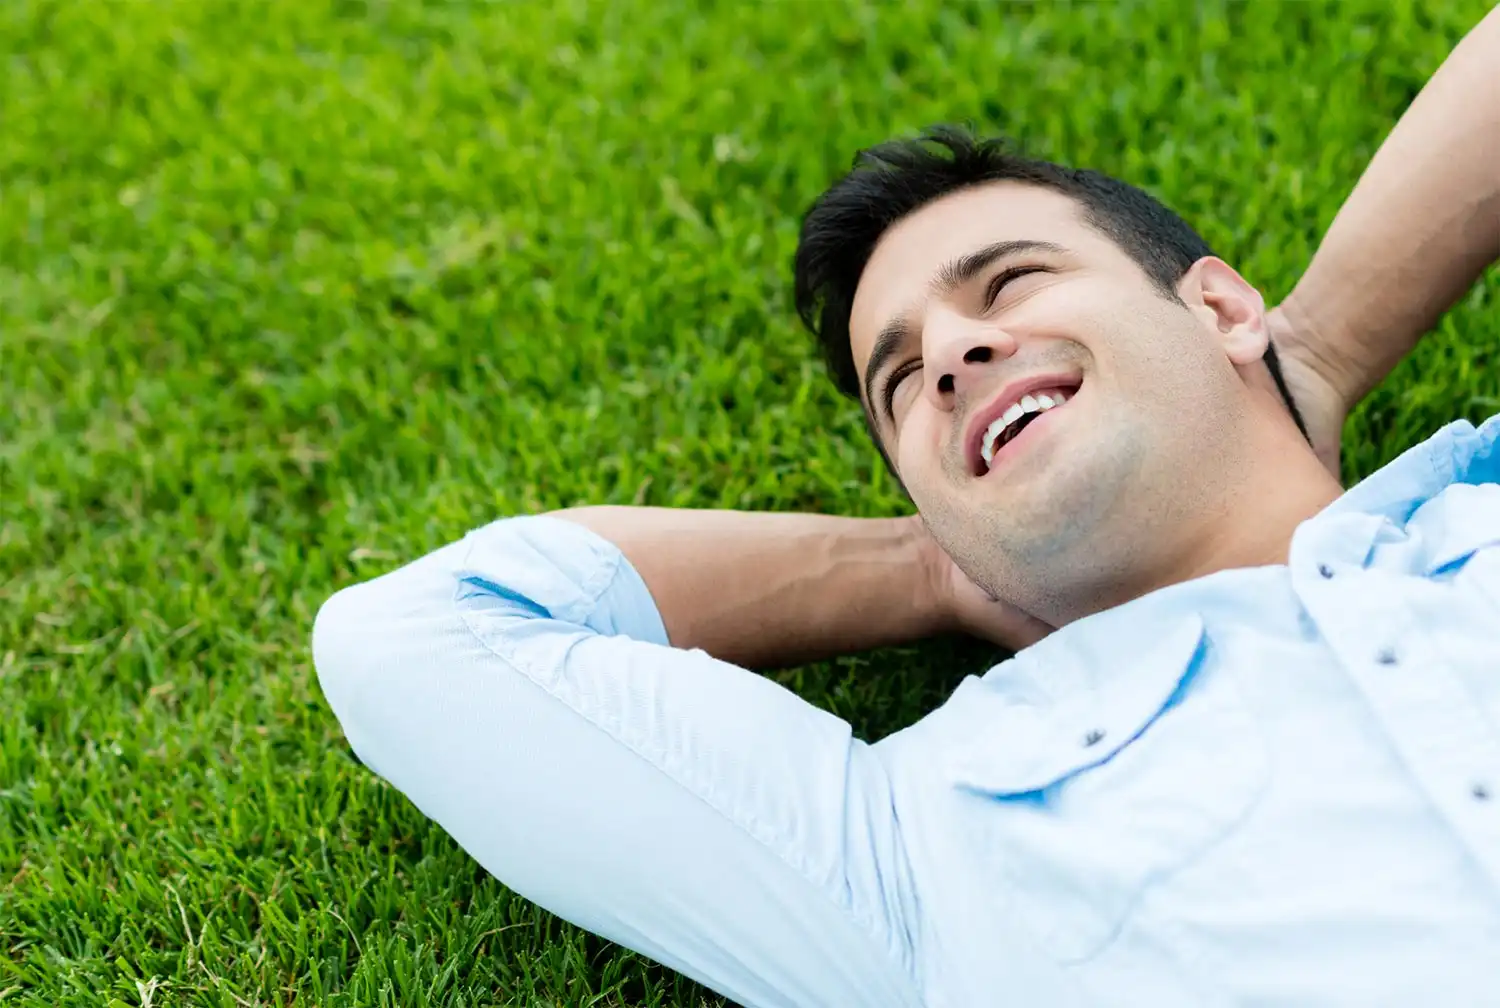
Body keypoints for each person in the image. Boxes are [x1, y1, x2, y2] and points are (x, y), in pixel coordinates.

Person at [312, 9, 1500, 1007]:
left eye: (1012, 281)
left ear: (1222, 308)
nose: (951, 355)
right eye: (902, 380)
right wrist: (929, 570)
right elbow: (423, 639)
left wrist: (1322, 343)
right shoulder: (914, 844)